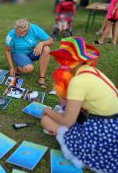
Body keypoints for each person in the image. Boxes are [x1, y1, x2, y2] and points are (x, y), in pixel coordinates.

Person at [41, 37, 118, 173]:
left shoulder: (78, 81)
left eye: (62, 59)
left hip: (104, 130)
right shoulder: (91, 71)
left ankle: (77, 145)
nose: (59, 63)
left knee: (46, 120)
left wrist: (47, 111)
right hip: (109, 123)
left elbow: (67, 120)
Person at [4, 18, 53, 88]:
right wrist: (11, 67)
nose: (17, 35)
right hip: (18, 54)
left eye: (20, 34)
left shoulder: (34, 28)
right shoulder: (11, 34)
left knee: (46, 49)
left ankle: (41, 78)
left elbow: (51, 41)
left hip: (32, 52)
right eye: (16, 32)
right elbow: (7, 51)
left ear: (27, 30)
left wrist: (41, 43)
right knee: (29, 68)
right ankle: (18, 68)